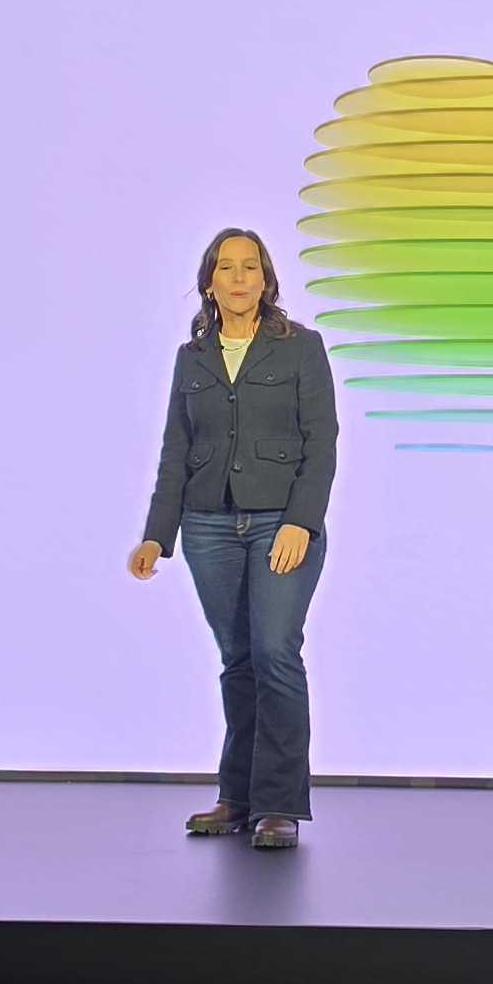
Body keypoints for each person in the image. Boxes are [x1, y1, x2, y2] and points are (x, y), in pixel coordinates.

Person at [128, 228, 339, 852]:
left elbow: (321, 442)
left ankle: (279, 804)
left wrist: (302, 520)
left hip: (281, 522)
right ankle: (238, 796)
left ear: (266, 279)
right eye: (228, 267)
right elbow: (176, 450)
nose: (240, 277)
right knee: (239, 660)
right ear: (210, 281)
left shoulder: (301, 347)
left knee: (274, 652)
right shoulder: (191, 357)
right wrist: (156, 535)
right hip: (209, 525)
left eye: (251, 267)